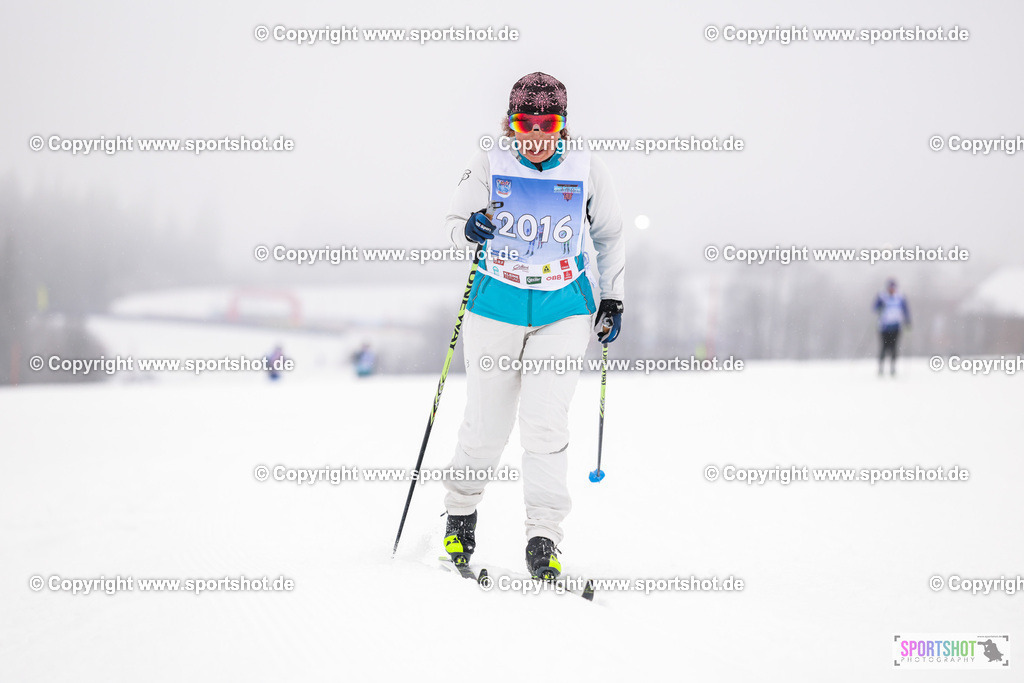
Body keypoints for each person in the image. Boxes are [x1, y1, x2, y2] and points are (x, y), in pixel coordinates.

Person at [440, 72, 625, 579]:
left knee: (545, 423)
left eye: (549, 124)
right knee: (487, 422)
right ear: (511, 124)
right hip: (495, 306)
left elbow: (610, 236)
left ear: (563, 125)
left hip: (562, 309)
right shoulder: (489, 162)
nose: (537, 135)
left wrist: (613, 298)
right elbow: (454, 225)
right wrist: (469, 229)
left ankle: (543, 536)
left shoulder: (588, 168)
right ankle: (460, 512)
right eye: (526, 124)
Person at [873, 278, 910, 376]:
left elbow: (905, 310)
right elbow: (874, 308)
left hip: (896, 327)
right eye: (890, 288)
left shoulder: (900, 297)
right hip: (884, 327)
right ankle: (881, 368)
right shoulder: (882, 297)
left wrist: (907, 321)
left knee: (894, 348)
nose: (892, 290)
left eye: (893, 288)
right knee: (884, 347)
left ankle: (892, 368)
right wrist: (880, 306)